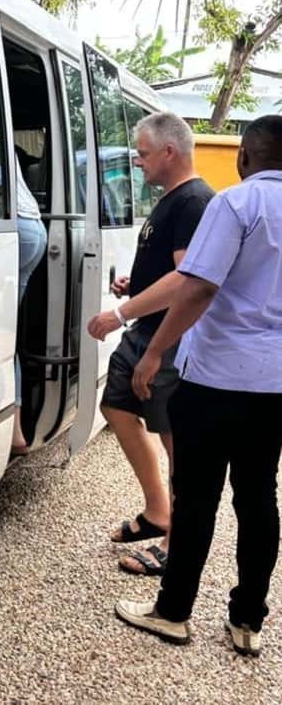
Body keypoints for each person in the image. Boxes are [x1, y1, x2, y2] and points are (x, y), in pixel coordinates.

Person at [115, 116, 282, 654]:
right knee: (258, 497)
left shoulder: (235, 203)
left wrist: (155, 351)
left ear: (244, 156)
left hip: (217, 377)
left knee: (197, 497)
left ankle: (174, 612)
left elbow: (198, 287)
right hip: (275, 385)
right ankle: (247, 621)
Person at [86, 113, 212, 576]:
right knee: (116, 406)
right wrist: (135, 287)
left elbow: (186, 280)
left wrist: (120, 313)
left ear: (169, 152)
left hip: (169, 337)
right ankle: (158, 510)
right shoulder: (170, 200)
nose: (137, 162)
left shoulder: (194, 202)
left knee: (177, 440)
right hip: (144, 330)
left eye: (142, 153)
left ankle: (177, 543)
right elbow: (167, 270)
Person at [12, 148, 47, 454]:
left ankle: (14, 432)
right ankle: (16, 432)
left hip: (20, 226)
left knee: (2, 340)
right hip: (33, 225)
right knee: (7, 334)